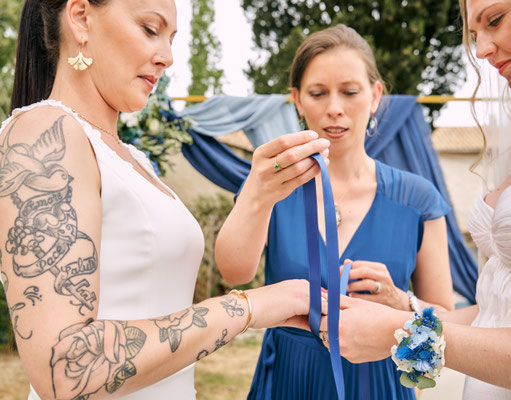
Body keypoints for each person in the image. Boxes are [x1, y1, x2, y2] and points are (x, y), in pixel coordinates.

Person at [0, 1, 330, 399]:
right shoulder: (42, 135)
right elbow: (64, 367)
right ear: (81, 18)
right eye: (150, 29)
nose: (168, 58)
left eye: (172, 39)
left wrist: (259, 194)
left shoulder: (134, 159)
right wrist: (250, 308)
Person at [323, 0, 511, 398]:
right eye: (474, 35)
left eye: (495, 21)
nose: (482, 50)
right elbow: (503, 305)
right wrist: (404, 308)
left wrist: (400, 335)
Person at [215, 24, 455, 399]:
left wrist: (402, 303)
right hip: (288, 382)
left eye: (350, 92)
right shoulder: (273, 187)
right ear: (296, 99)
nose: (334, 109)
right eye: (317, 93)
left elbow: (446, 318)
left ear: (375, 96)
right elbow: (234, 271)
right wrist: (257, 195)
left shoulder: (417, 198)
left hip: (380, 384)